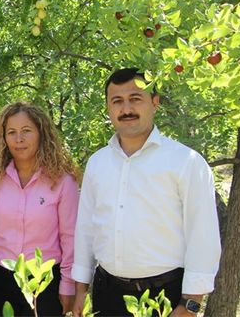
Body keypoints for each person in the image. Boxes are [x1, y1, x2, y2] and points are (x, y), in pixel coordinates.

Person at [72, 68, 221, 317]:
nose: (126, 109)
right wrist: (80, 290)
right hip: (106, 294)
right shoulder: (98, 163)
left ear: (155, 102)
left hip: (165, 298)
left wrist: (190, 304)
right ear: (108, 108)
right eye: (117, 101)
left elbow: (202, 236)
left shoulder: (186, 162)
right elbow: (86, 228)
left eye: (135, 99)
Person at [0, 102, 80, 316]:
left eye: (26, 131)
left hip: (44, 282)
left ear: (41, 134)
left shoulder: (63, 181)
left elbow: (70, 236)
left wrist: (68, 284)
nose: (19, 139)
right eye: (12, 132)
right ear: (3, 138)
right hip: (1, 279)